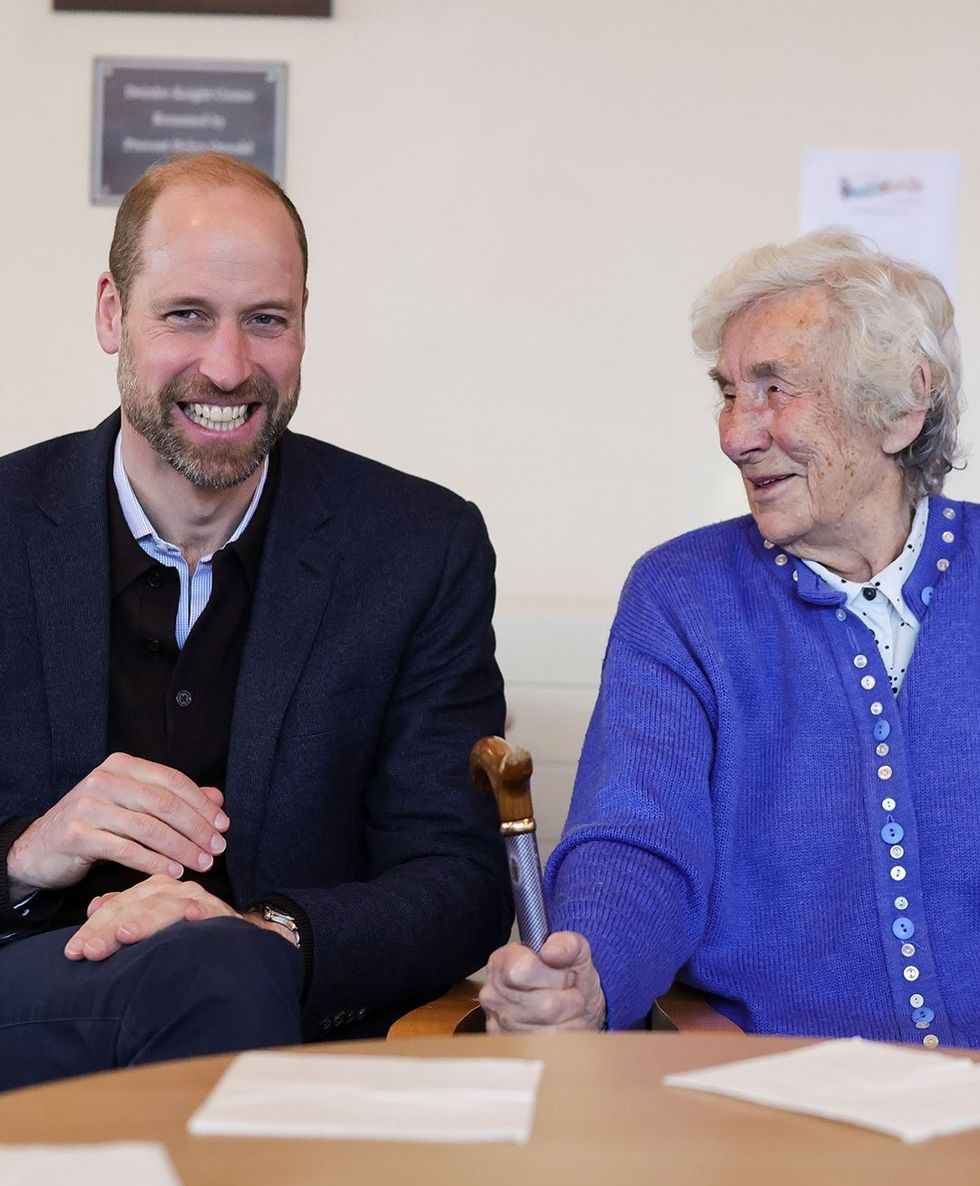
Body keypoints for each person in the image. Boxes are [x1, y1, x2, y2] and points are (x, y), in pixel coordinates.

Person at [0, 153, 511, 1090]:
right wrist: (30, 853)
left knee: (217, 965)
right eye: (186, 314)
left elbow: (458, 877)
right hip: (25, 1004)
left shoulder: (419, 547)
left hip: (282, 1013)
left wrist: (266, 933)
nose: (228, 366)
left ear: (305, 322)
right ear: (112, 311)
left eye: (265, 319)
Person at [481, 229, 978, 1048]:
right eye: (728, 392)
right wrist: (589, 973)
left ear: (901, 407)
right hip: (775, 1101)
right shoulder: (682, 596)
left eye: (774, 389)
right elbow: (637, 839)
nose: (735, 434)